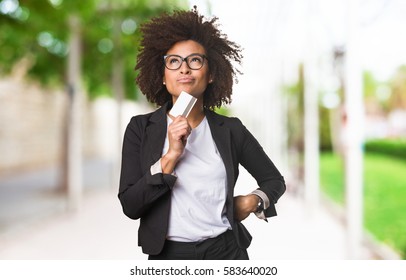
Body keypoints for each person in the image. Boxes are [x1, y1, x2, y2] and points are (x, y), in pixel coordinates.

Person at [118, 7, 286, 260]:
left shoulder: (231, 130)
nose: (184, 69)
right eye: (173, 61)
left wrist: (252, 201)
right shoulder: (140, 128)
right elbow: (131, 206)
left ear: (210, 74)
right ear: (163, 76)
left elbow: (275, 181)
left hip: (226, 252)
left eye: (194, 60)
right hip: (168, 258)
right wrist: (171, 156)